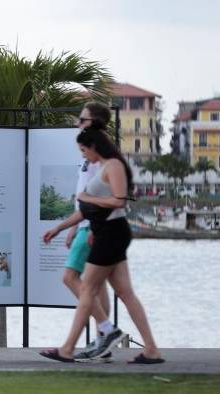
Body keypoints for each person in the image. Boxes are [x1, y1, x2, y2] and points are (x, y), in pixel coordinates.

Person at [40, 126, 164, 364]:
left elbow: (118, 201)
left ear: (94, 145)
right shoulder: (102, 168)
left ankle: (69, 348)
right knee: (125, 292)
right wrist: (58, 228)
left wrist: (87, 197)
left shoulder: (114, 166)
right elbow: (86, 210)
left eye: (84, 149)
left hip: (111, 234)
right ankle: (151, 349)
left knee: (86, 288)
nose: (83, 155)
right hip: (105, 232)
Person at [63, 103, 116, 362]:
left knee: (70, 277)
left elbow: (101, 192)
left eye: (82, 119)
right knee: (99, 286)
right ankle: (103, 343)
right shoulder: (91, 148)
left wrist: (90, 225)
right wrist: (74, 226)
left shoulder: (101, 151)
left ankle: (106, 330)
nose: (78, 123)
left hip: (92, 225)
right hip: (86, 224)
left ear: (94, 121)